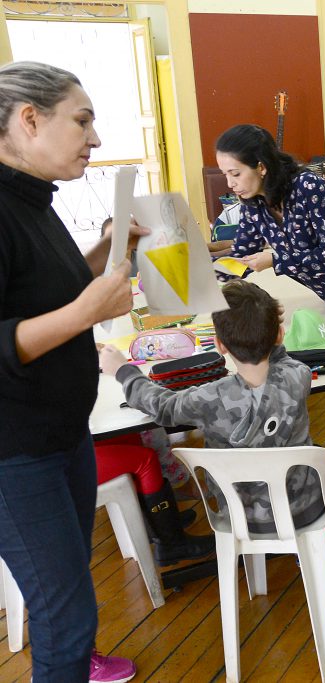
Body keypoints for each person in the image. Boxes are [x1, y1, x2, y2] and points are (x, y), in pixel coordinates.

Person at [0, 60, 137, 683]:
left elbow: (37, 293)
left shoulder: (31, 197)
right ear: (30, 120)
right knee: (66, 617)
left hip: (61, 435)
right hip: (15, 451)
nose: (96, 137)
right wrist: (87, 309)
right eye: (82, 121)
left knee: (69, 586)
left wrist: (103, 255)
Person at [215, 124, 325, 486]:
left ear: (261, 166)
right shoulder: (253, 203)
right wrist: (214, 286)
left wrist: (277, 260)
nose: (230, 183)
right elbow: (241, 254)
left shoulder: (308, 187)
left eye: (235, 173)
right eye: (225, 175)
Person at [99, 280, 325, 533]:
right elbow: (282, 360)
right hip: (308, 508)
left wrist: (124, 371)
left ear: (220, 345)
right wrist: (268, 330)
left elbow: (162, 406)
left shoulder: (209, 397)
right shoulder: (299, 375)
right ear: (280, 335)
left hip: (242, 520)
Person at [93, 434, 215, 565]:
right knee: (146, 460)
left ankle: (158, 523)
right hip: (71, 466)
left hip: (73, 449)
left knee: (131, 437)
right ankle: (172, 545)